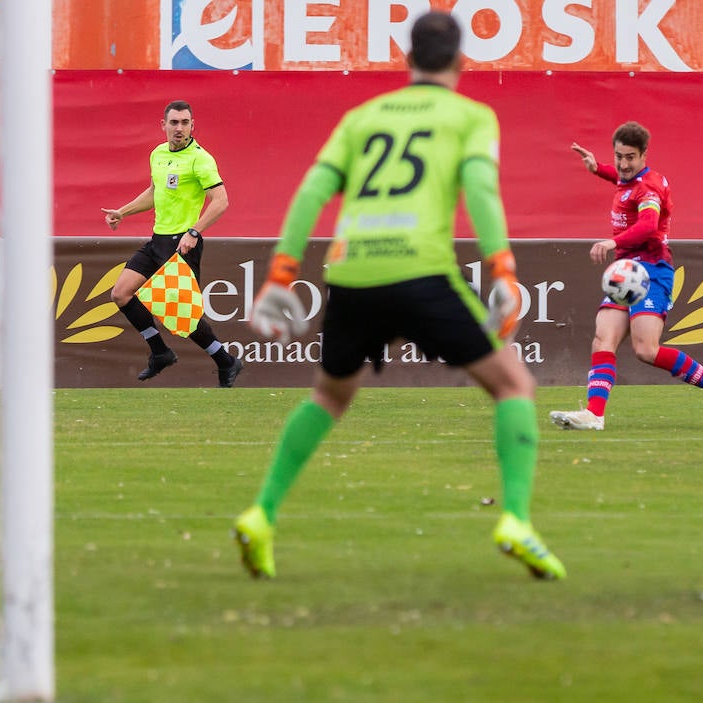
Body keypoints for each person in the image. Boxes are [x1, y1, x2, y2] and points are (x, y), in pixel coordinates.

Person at [232, 11, 565, 581]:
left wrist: (281, 274)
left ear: (405, 58)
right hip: (420, 272)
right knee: (513, 384)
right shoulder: (471, 115)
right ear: (463, 62)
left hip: (352, 274)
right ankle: (515, 519)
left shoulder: (362, 117)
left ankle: (261, 514)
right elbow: (481, 188)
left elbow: (313, 187)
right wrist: (503, 270)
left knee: (330, 397)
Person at [548, 122, 703, 432]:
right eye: (618, 156)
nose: (623, 164)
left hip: (651, 271)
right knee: (603, 338)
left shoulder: (649, 187)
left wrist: (612, 241)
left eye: (630, 157)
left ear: (644, 156)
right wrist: (597, 168)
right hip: (626, 271)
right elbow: (620, 179)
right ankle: (594, 414)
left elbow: (648, 225)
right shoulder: (628, 177)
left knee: (646, 350)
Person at [100, 99, 242, 387]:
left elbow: (221, 200)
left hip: (182, 245)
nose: (179, 128)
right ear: (163, 125)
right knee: (121, 293)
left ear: (192, 125)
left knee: (182, 317)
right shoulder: (158, 154)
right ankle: (160, 352)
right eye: (174, 122)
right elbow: (155, 192)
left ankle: (225, 360)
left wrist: (195, 232)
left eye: (185, 123)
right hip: (157, 241)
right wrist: (122, 212)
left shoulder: (200, 159)